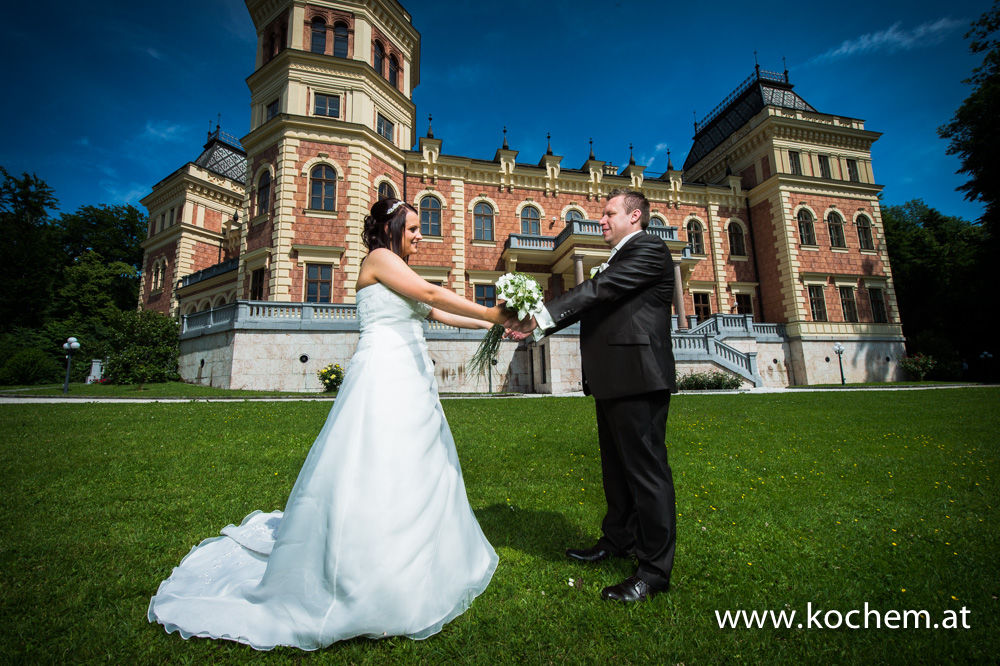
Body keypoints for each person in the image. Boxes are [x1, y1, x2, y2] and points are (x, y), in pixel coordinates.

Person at [148, 198, 510, 649]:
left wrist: (496, 328)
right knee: (378, 458)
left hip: (411, 376)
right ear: (391, 228)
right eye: (414, 227)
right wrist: (493, 312)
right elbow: (435, 295)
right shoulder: (379, 258)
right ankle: (362, 566)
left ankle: (416, 555)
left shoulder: (397, 267)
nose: (420, 234)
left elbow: (436, 313)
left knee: (416, 462)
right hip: (384, 374)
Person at [508, 187, 677, 603]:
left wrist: (538, 317)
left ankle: (654, 570)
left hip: (639, 378)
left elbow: (597, 292)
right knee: (616, 469)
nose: (600, 219)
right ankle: (618, 540)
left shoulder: (650, 249)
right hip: (615, 379)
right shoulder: (620, 257)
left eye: (608, 213)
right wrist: (540, 324)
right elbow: (590, 303)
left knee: (646, 473)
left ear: (635, 217)